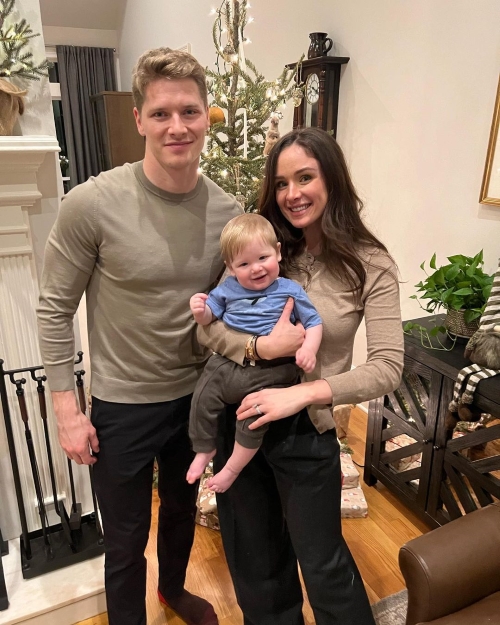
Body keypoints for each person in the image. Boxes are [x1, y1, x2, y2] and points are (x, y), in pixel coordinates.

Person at [36, 47, 242, 625]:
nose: (177, 127)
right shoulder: (93, 204)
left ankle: (172, 591)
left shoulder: (227, 211)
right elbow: (54, 309)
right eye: (161, 113)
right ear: (138, 118)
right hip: (122, 406)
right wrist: (67, 411)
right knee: (124, 541)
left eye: (190, 112)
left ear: (207, 116)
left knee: (181, 510)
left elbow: (233, 305)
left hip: (198, 398)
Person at [197, 127, 404, 625]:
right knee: (256, 566)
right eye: (282, 182)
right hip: (239, 420)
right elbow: (207, 331)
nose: (292, 194)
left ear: (331, 179)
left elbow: (388, 366)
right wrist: (256, 347)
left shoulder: (370, 264)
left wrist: (305, 394)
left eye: (305, 177)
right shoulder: (260, 246)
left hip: (306, 430)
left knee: (324, 564)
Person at [186, 213, 322, 492]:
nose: (256, 269)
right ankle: (203, 448)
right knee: (202, 394)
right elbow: (209, 320)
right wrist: (200, 311)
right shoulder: (228, 290)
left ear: (278, 253)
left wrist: (309, 348)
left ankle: (232, 469)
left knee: (254, 416)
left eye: (263, 258)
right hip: (229, 363)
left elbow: (314, 322)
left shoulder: (290, 290)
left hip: (274, 372)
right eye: (244, 264)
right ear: (231, 267)